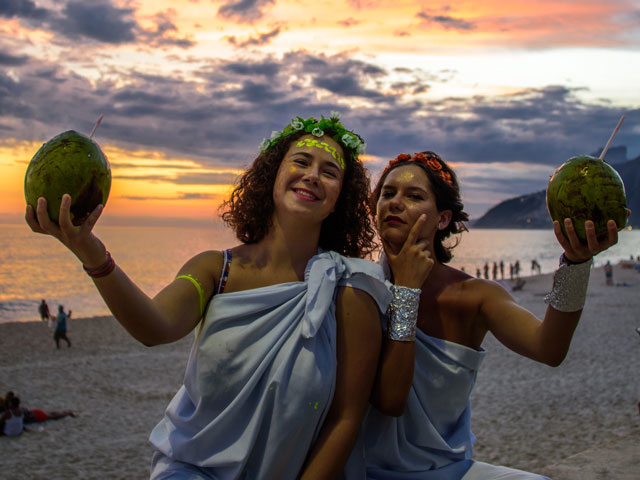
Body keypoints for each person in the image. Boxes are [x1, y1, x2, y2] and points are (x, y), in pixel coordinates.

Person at [26, 113, 391, 479]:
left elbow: (346, 418)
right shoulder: (217, 270)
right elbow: (155, 328)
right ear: (272, 176)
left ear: (338, 200)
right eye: (300, 161)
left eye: (329, 172)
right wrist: (91, 252)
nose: (312, 174)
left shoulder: (350, 288)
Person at [347, 151, 621, 479]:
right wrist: (407, 290)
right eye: (387, 194)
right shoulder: (356, 287)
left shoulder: (476, 296)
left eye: (414, 195)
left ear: (443, 219)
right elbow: (390, 400)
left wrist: (576, 263)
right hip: (365, 470)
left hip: (449, 470)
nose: (395, 202)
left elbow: (549, 348)